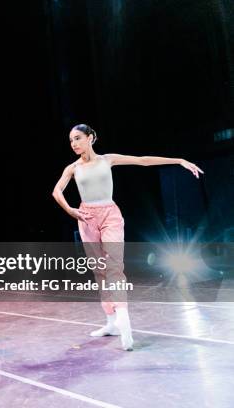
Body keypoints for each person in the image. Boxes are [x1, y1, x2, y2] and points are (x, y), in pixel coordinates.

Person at [52, 124, 203, 351]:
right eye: (71, 140)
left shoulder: (107, 159)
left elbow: (142, 160)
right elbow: (56, 191)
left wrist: (178, 160)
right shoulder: (72, 168)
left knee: (114, 267)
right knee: (99, 270)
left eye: (78, 138)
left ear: (91, 137)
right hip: (86, 218)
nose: (74, 144)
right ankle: (111, 322)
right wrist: (71, 210)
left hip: (110, 214)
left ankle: (124, 321)